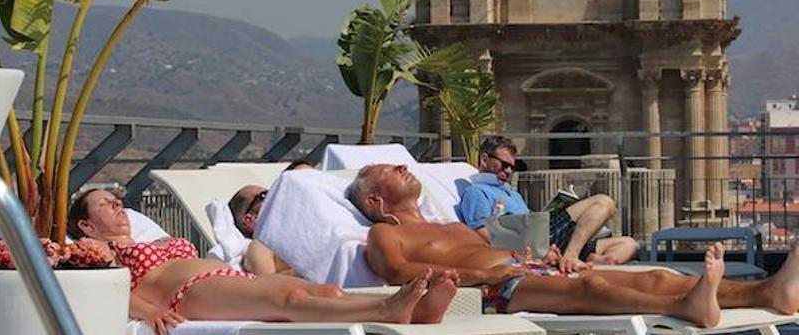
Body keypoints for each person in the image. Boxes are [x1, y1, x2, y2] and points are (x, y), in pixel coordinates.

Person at [346, 164, 799, 327]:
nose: (402, 167)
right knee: (588, 294)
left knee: (657, 275)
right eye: (388, 169)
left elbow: (496, 246)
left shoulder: (451, 223)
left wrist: (550, 255)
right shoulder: (385, 232)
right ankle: (686, 307)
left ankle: (766, 292)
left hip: (528, 270)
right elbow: (397, 274)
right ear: (375, 200)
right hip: (488, 294)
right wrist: (484, 275)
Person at [68, 189, 457, 335]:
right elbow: (105, 288)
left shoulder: (145, 236)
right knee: (288, 300)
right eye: (106, 204)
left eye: (119, 201)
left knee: (322, 291)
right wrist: (149, 310)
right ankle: (387, 310)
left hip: (221, 279)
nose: (119, 207)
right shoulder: (96, 251)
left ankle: (417, 315)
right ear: (86, 224)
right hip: (187, 295)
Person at [460, 136, 638, 271]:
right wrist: (526, 249)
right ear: (484, 160)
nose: (508, 171)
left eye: (512, 167)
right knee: (603, 202)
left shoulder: (511, 192)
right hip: (530, 242)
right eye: (503, 165)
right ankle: (571, 257)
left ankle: (590, 261)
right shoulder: (477, 191)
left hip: (544, 237)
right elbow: (482, 233)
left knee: (629, 244)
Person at [228, 185, 295, 275]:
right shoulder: (259, 249)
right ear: (250, 219)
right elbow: (271, 282)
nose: (275, 195)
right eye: (264, 195)